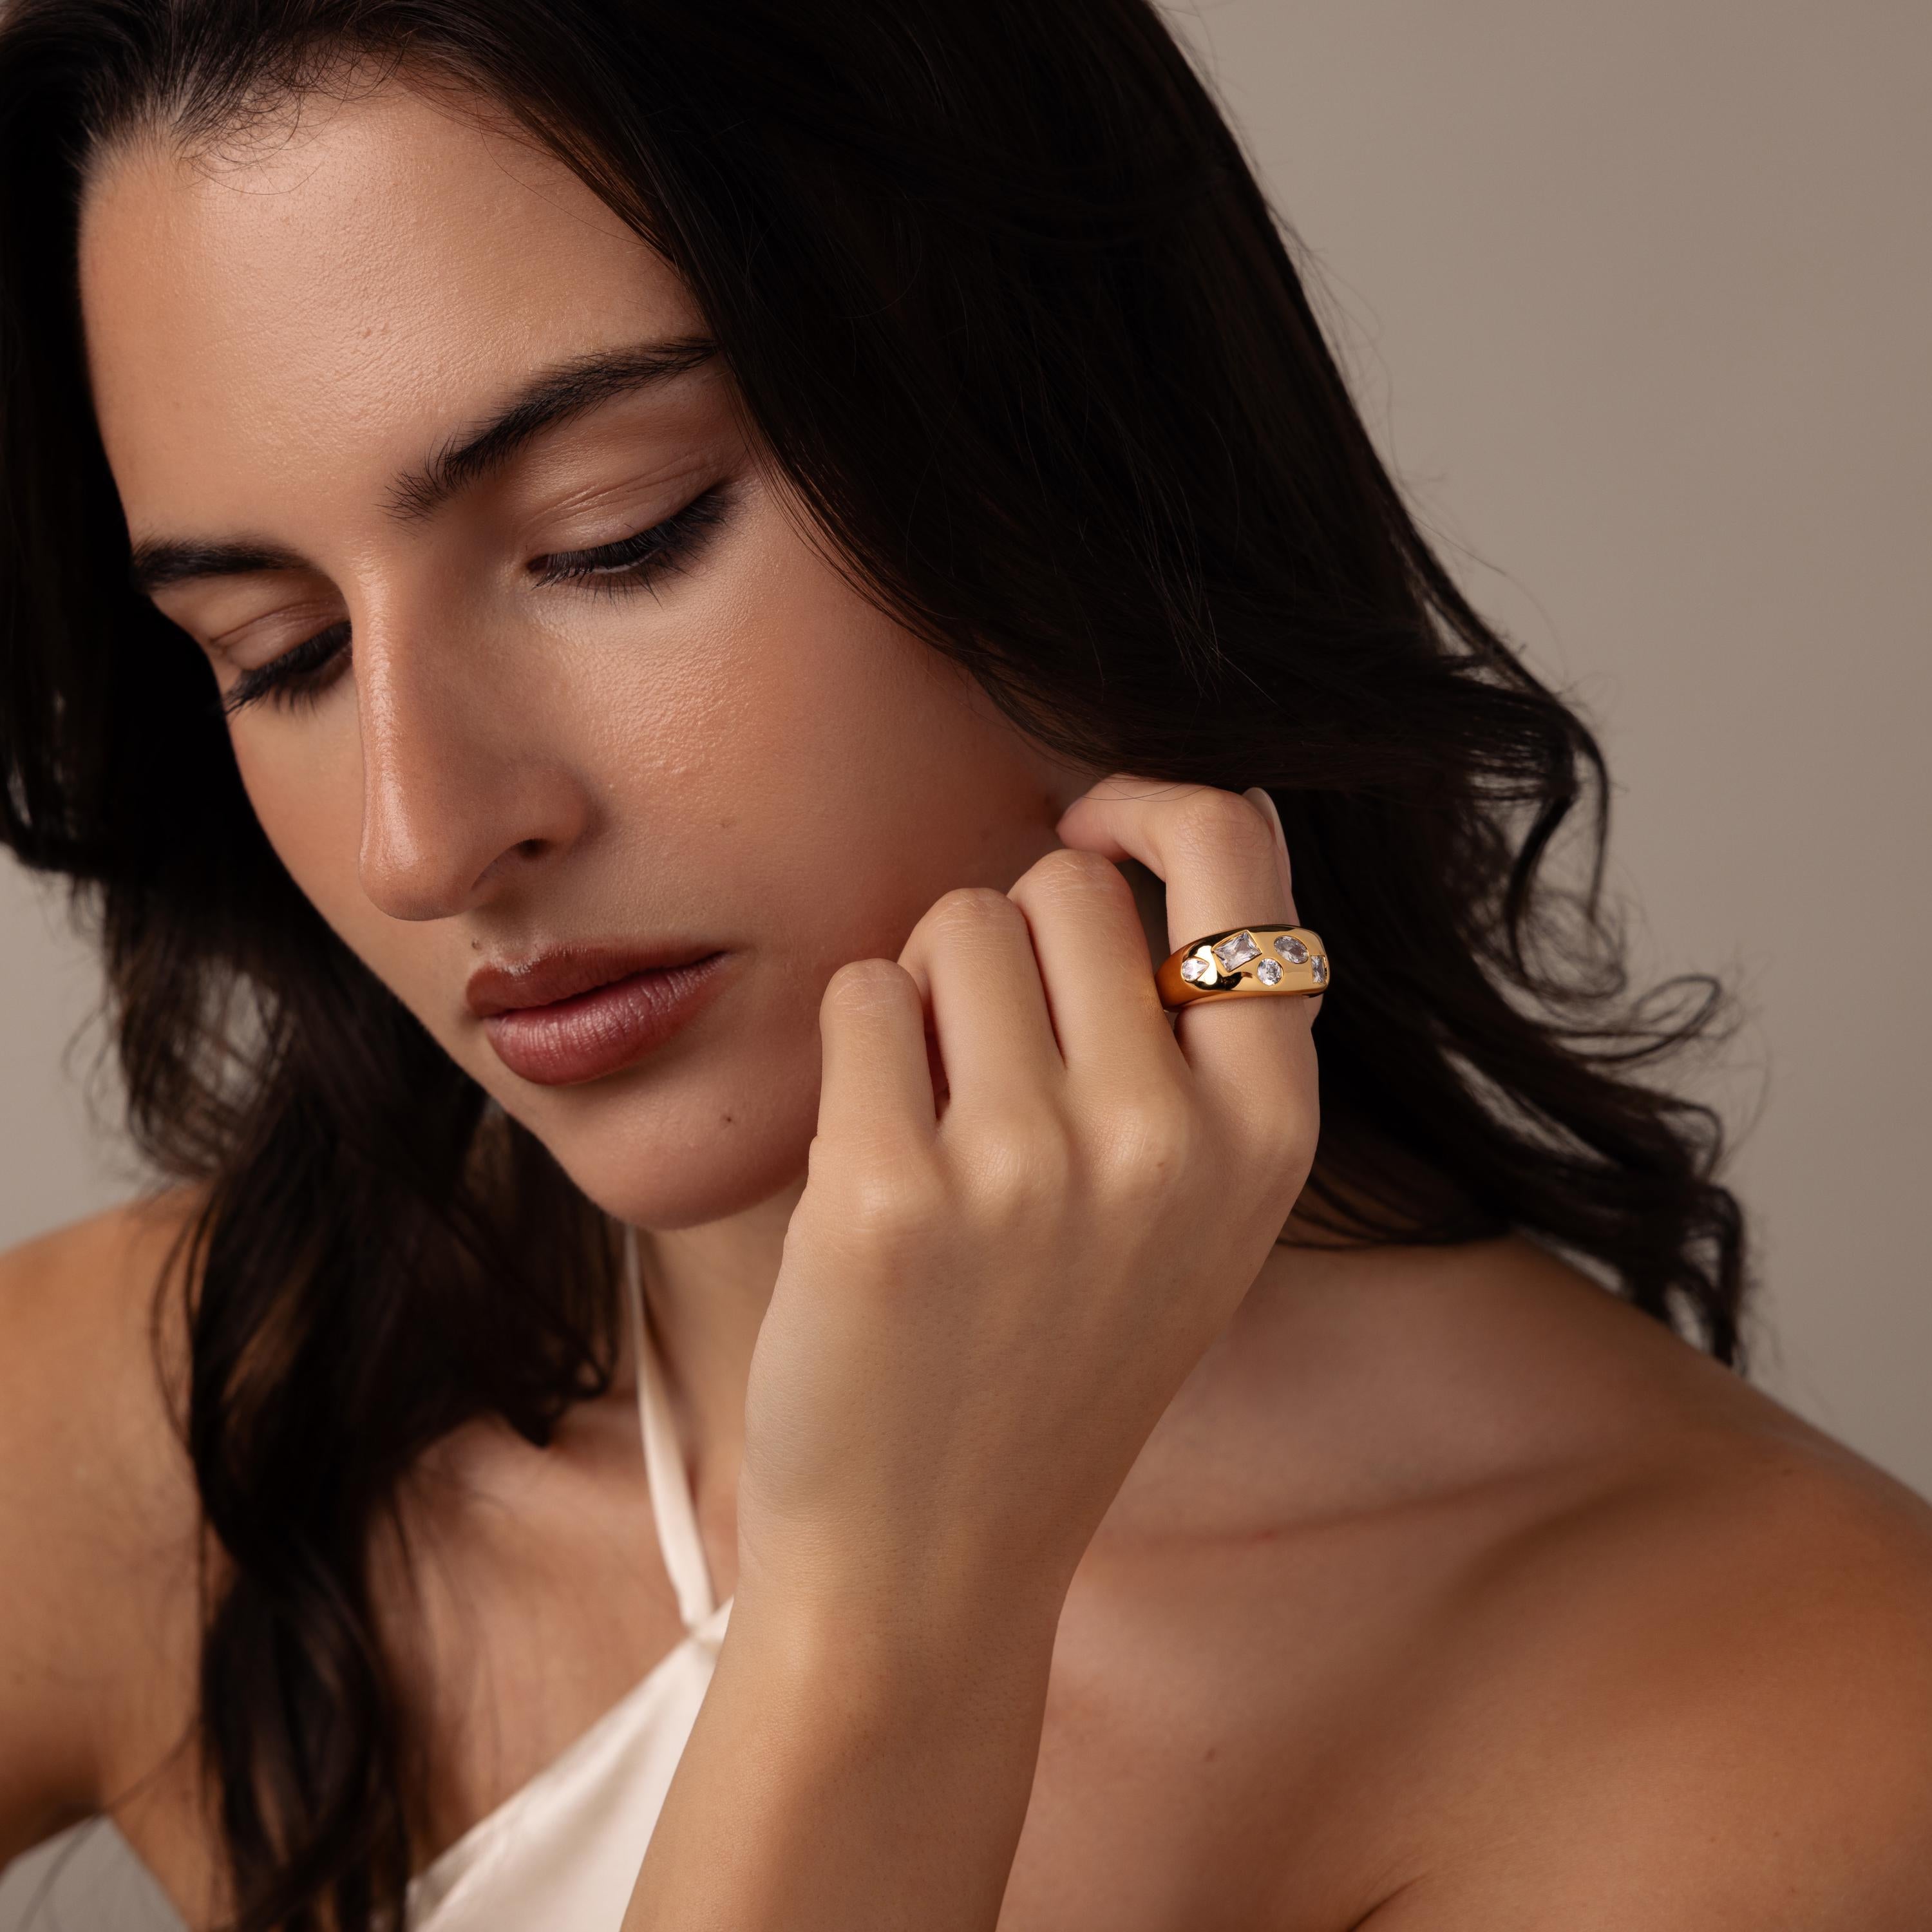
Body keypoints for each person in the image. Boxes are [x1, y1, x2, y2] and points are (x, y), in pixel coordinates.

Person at [2, 2, 1929, 1927]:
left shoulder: (1788, 1724)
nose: (421, 837)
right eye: (279, 654)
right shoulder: (178, 1426)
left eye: (619, 535)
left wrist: (889, 1619)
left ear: (1069, 444)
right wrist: (879, 1616)